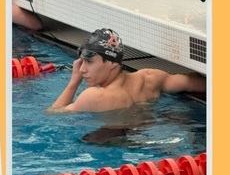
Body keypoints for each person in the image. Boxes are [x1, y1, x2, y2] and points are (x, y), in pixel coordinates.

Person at [49, 28, 206, 114]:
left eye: (89, 62)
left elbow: (53, 115)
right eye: (82, 61)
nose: (82, 69)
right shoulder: (151, 78)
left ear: (111, 62)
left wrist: (73, 83)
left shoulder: (94, 96)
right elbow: (193, 83)